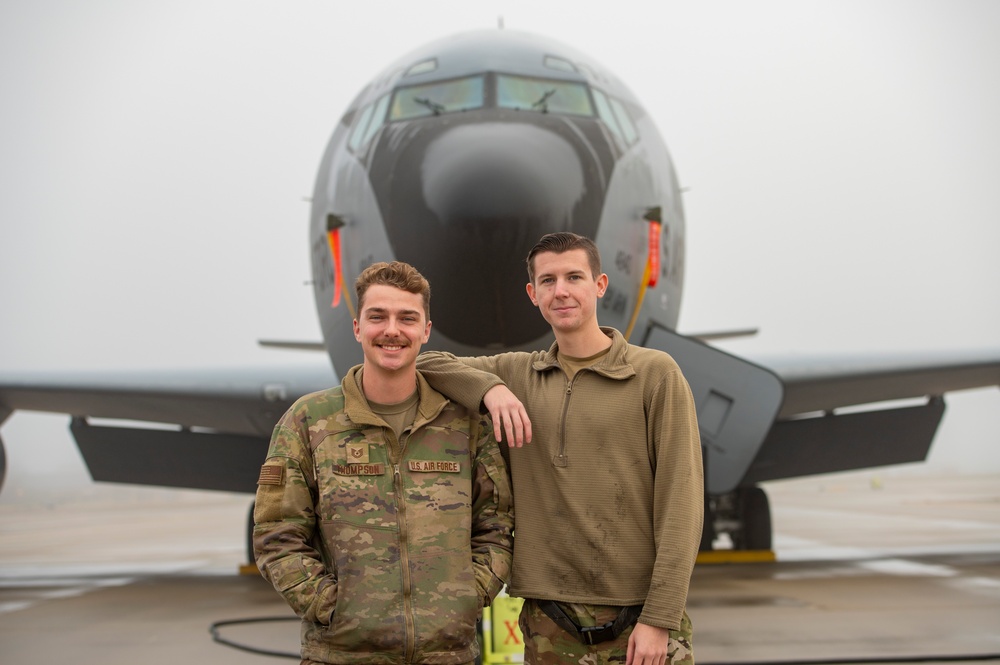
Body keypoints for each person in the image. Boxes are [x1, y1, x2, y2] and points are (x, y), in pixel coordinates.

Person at [417, 232, 703, 665]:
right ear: (533, 294)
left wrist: (659, 618)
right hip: (548, 625)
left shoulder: (653, 374)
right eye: (548, 281)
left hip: (638, 622)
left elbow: (681, 504)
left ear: (600, 285)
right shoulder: (518, 372)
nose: (562, 291)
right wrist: (491, 390)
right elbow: (424, 362)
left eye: (574, 276)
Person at [253, 261, 514, 665]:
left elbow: (498, 524)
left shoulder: (464, 424)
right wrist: (332, 608)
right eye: (378, 317)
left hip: (448, 654)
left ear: (426, 331)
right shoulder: (309, 421)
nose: (392, 330)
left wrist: (466, 595)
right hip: (341, 655)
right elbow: (276, 534)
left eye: (407, 318)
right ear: (358, 328)